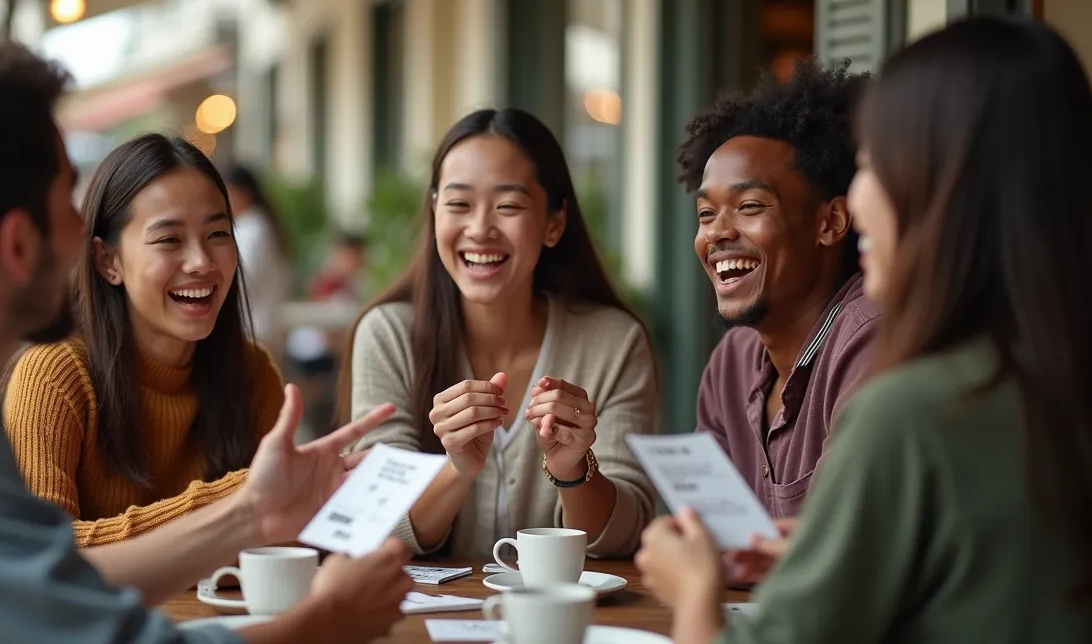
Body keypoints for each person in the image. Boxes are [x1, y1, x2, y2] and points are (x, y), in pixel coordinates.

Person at [0, 42, 414, 643]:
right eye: (67, 199)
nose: (85, 229)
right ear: (16, 243)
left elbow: (50, 587)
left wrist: (250, 515)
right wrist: (324, 622)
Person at [637, 16, 1092, 643]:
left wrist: (693, 591)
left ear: (947, 187)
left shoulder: (919, 409)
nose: (860, 201)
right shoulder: (1045, 381)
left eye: (874, 165)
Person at [338, 108, 659, 560]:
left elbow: (628, 532)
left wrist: (572, 469)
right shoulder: (389, 335)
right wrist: (457, 471)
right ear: (434, 214)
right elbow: (374, 523)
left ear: (553, 223)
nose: (480, 229)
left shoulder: (614, 342)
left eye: (508, 206)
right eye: (458, 204)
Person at [2, 135, 286, 547]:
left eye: (218, 234)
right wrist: (240, 497)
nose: (201, 262)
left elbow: (283, 532)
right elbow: (40, 550)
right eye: (169, 239)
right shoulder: (54, 374)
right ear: (108, 261)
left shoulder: (252, 373)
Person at [680, 58, 881, 519]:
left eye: (749, 206)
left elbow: (840, 548)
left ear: (829, 222)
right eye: (706, 214)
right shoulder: (731, 364)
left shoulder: (870, 338)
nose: (716, 234)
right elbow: (709, 531)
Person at [223, 161, 293, 352]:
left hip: (253, 332)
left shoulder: (251, 231)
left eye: (226, 193)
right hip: (264, 330)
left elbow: (241, 281)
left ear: (243, 192)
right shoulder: (262, 226)